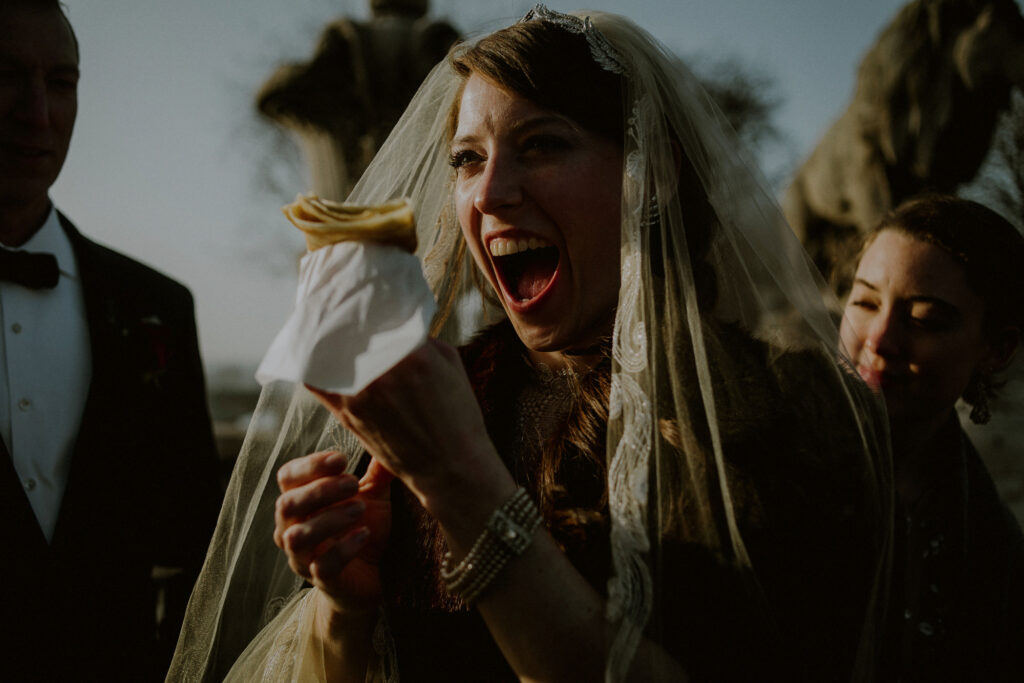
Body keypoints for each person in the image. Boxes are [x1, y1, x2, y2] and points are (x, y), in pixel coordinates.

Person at [171, 6, 891, 681]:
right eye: (466, 159)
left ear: (654, 173)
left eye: (542, 145)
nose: (489, 194)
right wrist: (345, 600)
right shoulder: (433, 396)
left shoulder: (788, 405)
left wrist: (461, 484)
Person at [0, 1, 222, 680]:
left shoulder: (158, 307)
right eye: (7, 75)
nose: (38, 111)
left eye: (61, 82)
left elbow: (198, 547)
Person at [838, 194, 1024, 682]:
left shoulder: (996, 552)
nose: (878, 341)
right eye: (864, 301)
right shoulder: (759, 455)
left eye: (924, 319)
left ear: (996, 350)